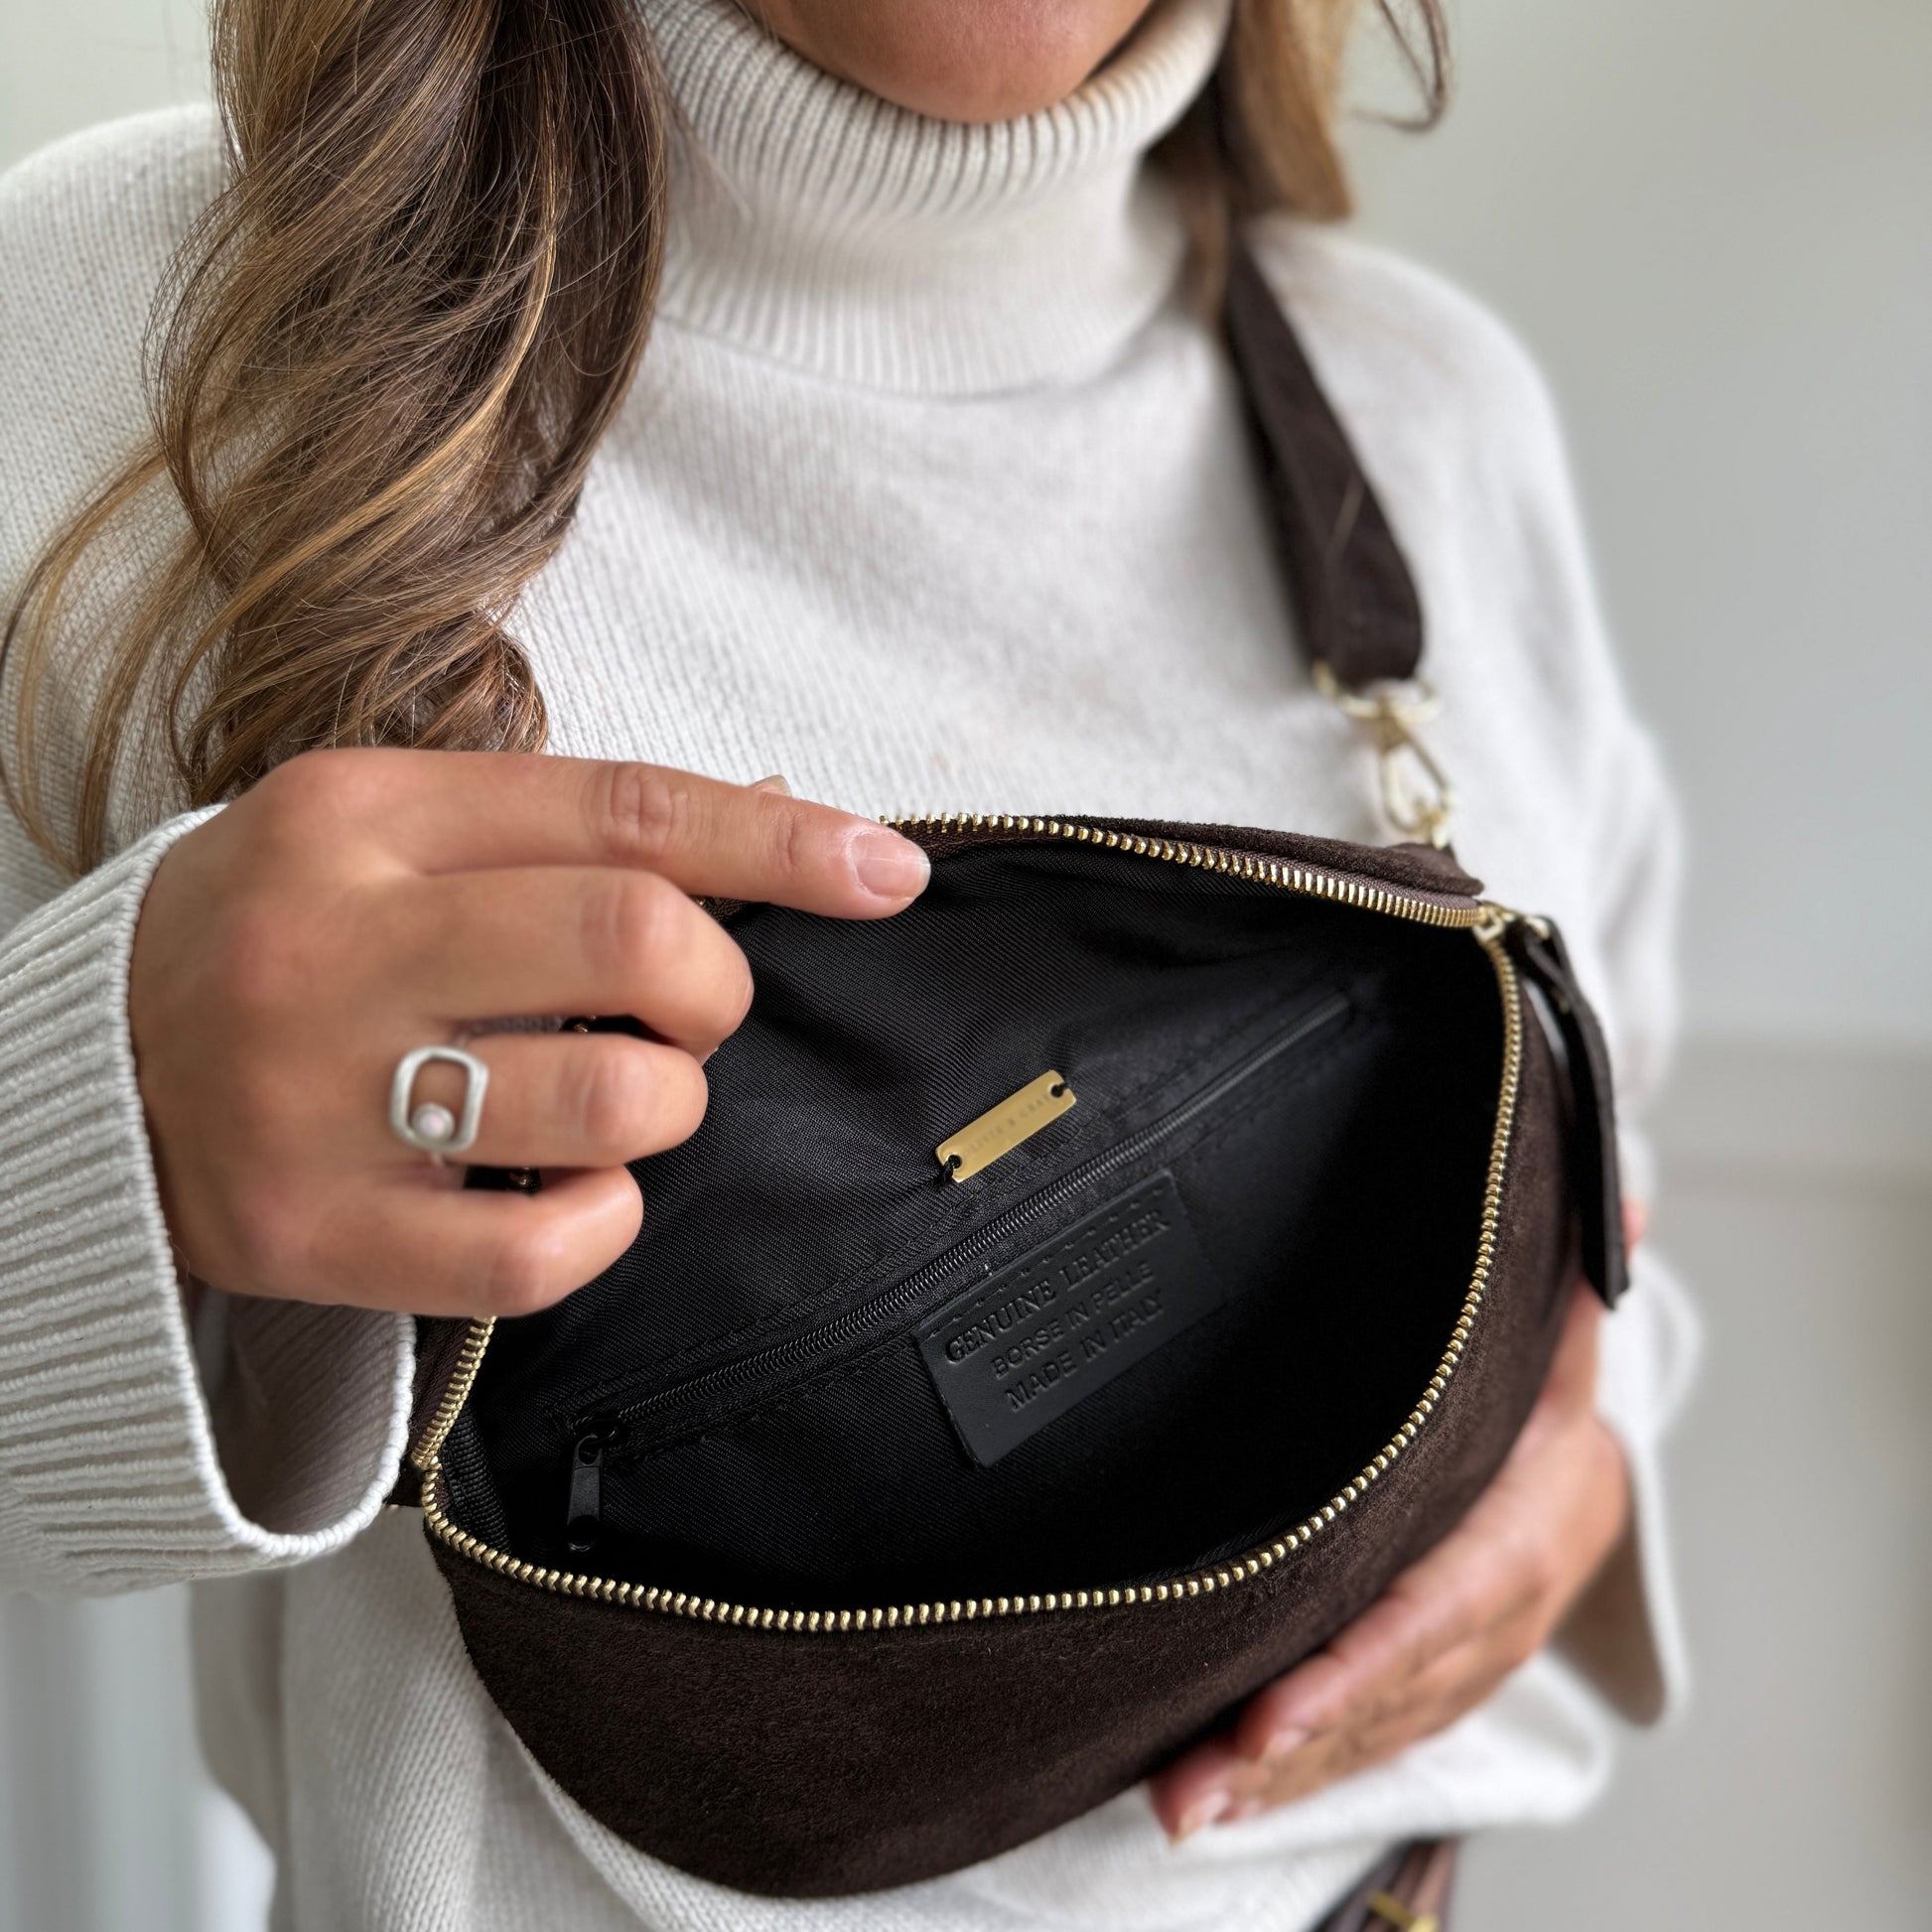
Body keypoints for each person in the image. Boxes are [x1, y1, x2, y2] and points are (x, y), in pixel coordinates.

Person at [0, 0, 1698, 1924]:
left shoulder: (1420, 408)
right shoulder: (129, 332)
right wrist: (108, 1110)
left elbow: (1620, 1150)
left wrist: (1589, 1468)